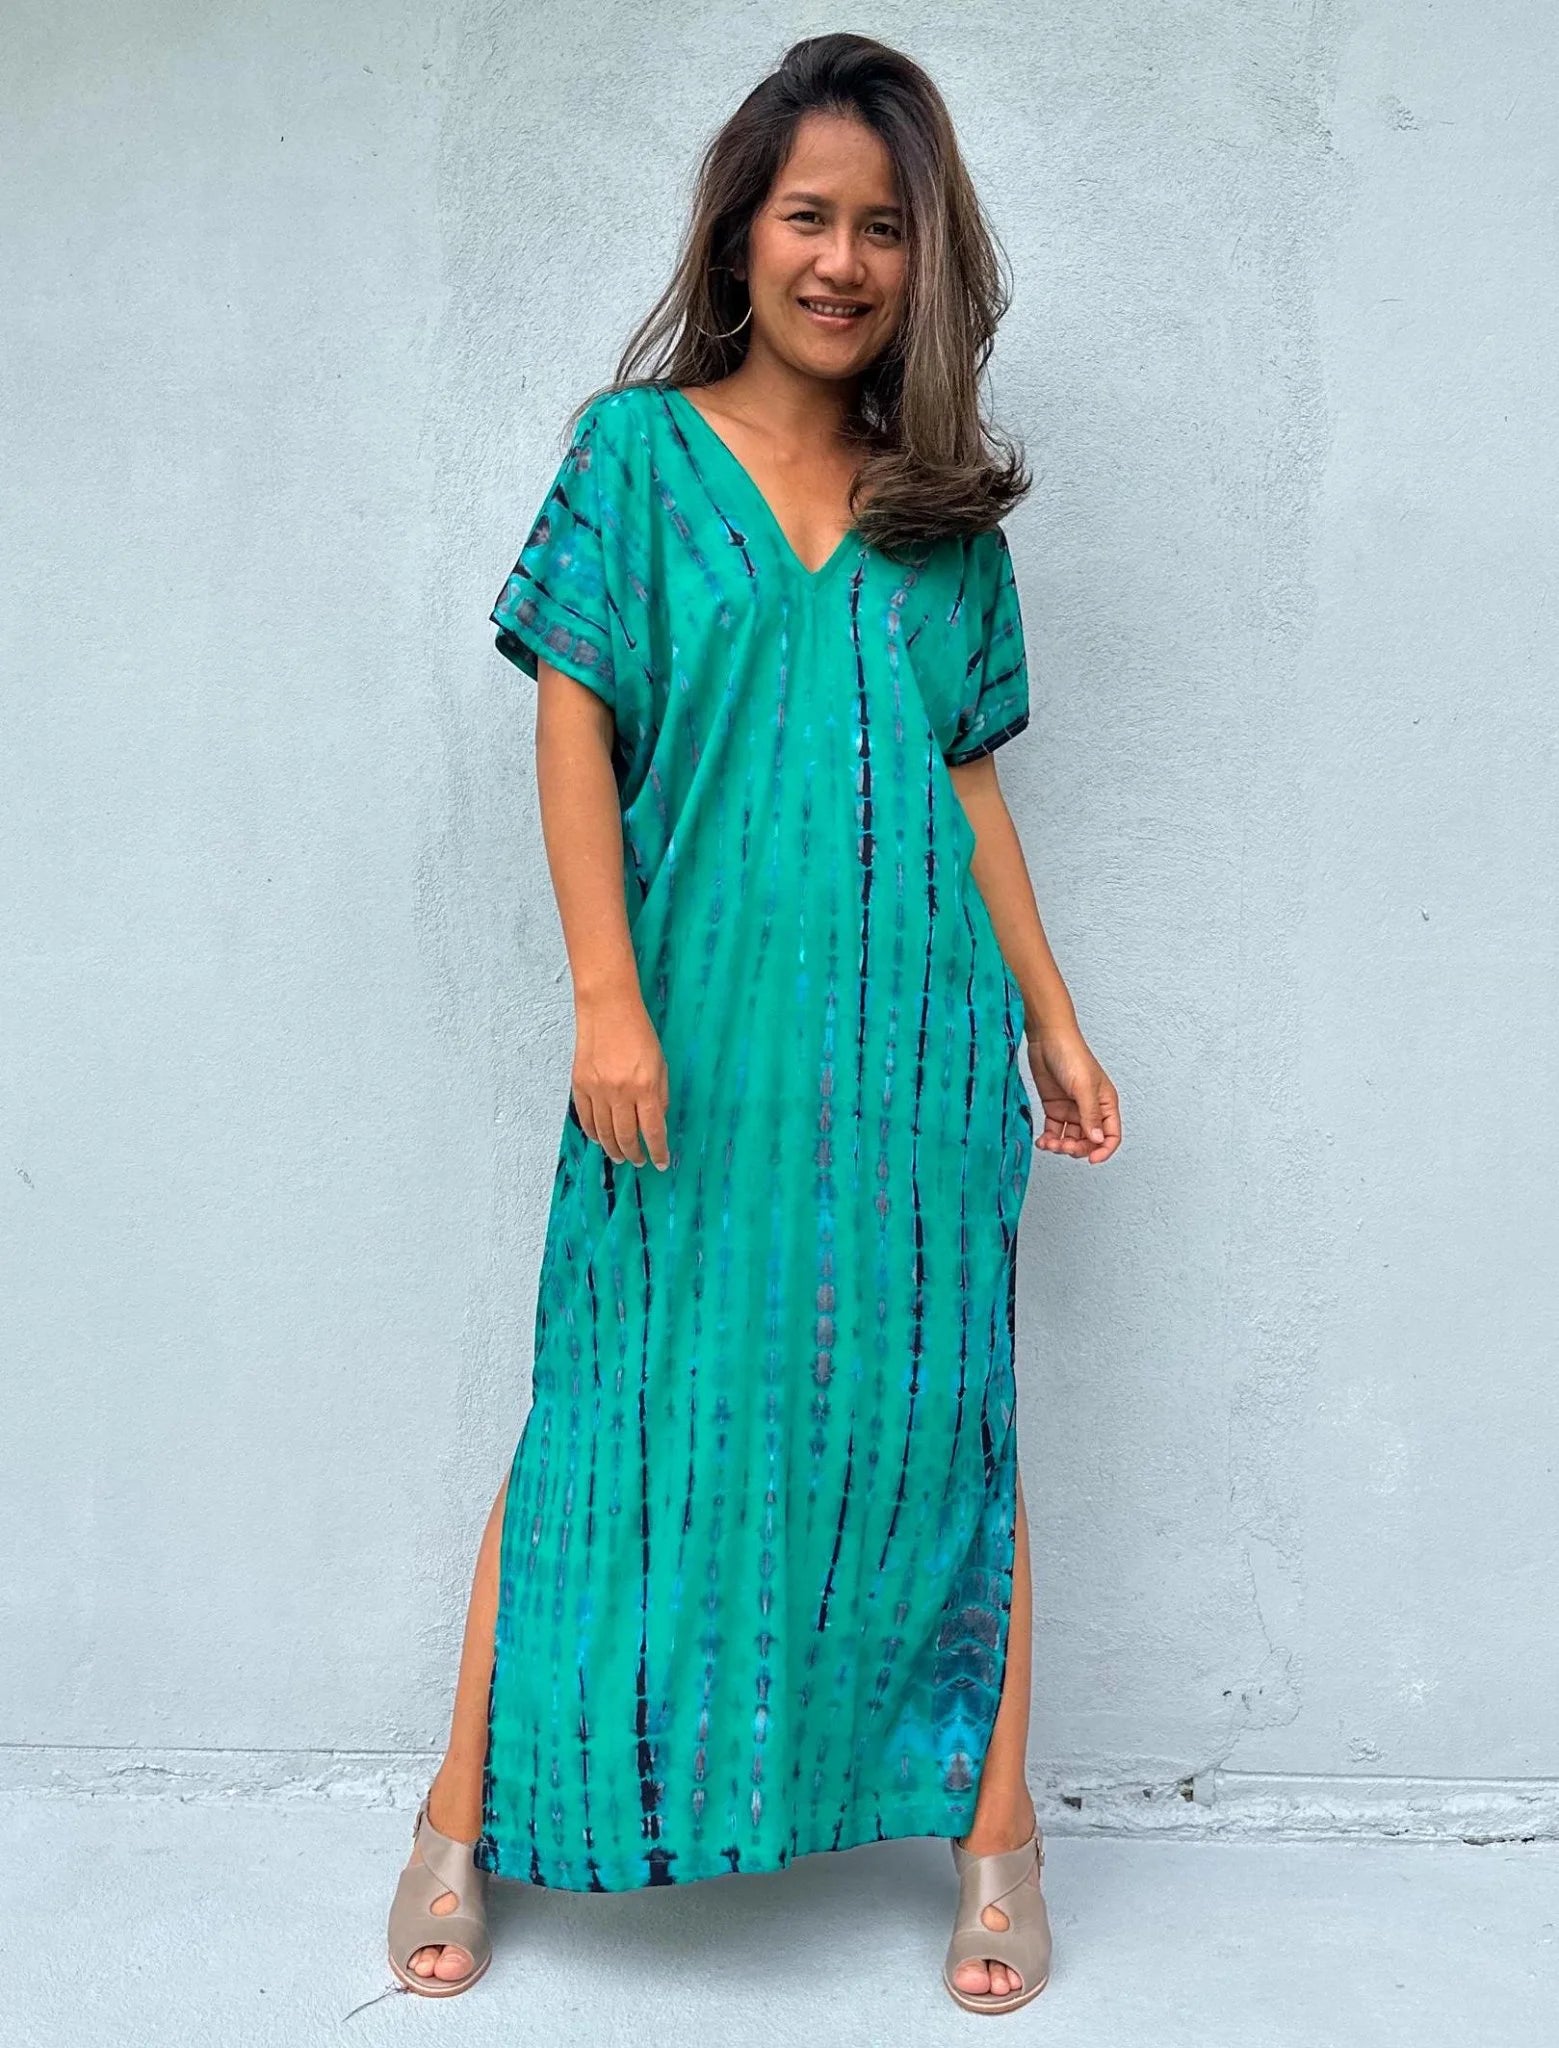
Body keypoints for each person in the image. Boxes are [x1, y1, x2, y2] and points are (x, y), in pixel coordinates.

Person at [385, 30, 1121, 2016]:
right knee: (609, 1433)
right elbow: (572, 715)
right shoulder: (631, 458)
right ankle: (459, 1814)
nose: (845, 259)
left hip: (906, 1072)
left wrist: (1049, 1015)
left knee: (935, 1436)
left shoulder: (938, 514)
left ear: (924, 257)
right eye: (811, 214)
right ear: (741, 228)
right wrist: (606, 1003)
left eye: (886, 227)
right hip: (682, 1056)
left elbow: (969, 788)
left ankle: (995, 1838)